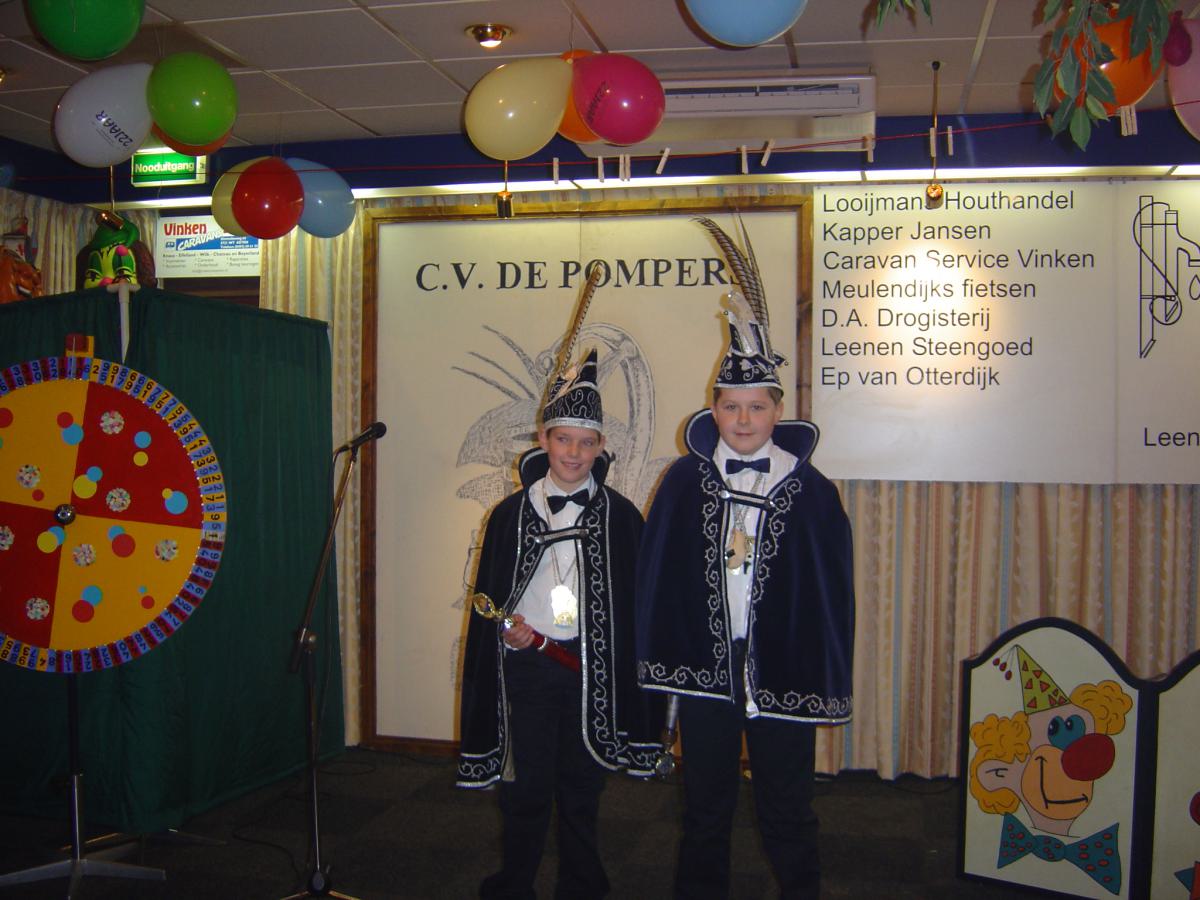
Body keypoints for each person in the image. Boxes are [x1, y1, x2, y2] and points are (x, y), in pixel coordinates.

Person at [635, 217, 856, 900]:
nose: (743, 420)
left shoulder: (812, 490)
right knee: (704, 807)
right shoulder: (683, 481)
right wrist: (661, 663)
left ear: (778, 410)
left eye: (756, 407)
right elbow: (657, 580)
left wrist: (822, 667)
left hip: (780, 666)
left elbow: (832, 592)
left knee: (787, 806)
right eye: (731, 407)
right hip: (706, 669)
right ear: (714, 409)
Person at [457, 347, 658, 900]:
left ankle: (582, 884)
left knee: (582, 786)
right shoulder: (509, 515)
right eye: (563, 439)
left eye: (586, 442)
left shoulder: (621, 517)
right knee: (525, 788)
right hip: (528, 669)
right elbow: (491, 596)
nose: (574, 452)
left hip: (590, 674)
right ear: (543, 440)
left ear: (601, 447)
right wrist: (507, 631)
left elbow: (636, 605)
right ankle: (514, 883)